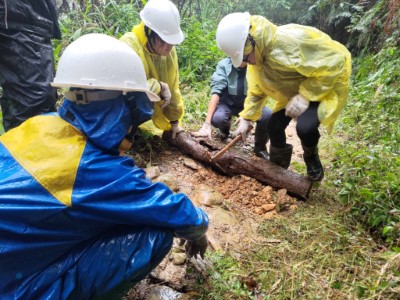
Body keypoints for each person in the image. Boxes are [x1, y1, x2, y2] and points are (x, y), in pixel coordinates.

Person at [0, 33, 208, 299]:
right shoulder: (95, 169)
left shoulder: (38, 124)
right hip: (12, 288)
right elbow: (174, 211)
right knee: (155, 235)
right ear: (122, 106)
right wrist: (199, 229)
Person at [216, 12, 352, 181]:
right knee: (274, 125)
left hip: (321, 89)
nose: (246, 62)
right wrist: (246, 118)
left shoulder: (292, 41)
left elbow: (334, 62)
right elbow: (256, 91)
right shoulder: (257, 58)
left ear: (252, 40)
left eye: (244, 57)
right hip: (293, 95)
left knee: (304, 127)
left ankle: (311, 157)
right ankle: (278, 170)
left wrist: (305, 97)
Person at [120, 0, 185, 140]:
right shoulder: (129, 44)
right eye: (164, 39)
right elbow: (125, 89)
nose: (170, 45)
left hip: (150, 114)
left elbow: (173, 87)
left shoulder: (169, 51)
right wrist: (159, 86)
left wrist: (174, 121)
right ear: (149, 31)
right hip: (123, 110)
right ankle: (124, 134)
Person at [192, 57, 272, 160]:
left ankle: (260, 148)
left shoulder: (255, 65)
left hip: (249, 104)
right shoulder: (224, 65)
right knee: (218, 118)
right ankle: (224, 131)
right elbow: (216, 92)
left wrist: (249, 116)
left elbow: (262, 92)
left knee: (268, 115)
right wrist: (207, 124)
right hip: (227, 103)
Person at [0, 0, 61, 131]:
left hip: (24, 17)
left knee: (31, 101)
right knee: (36, 101)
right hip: (19, 16)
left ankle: (17, 147)